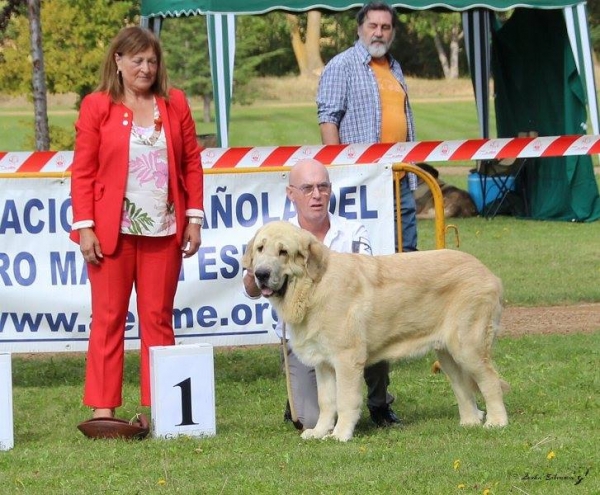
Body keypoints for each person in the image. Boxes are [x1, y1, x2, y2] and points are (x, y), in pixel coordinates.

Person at [69, 26, 204, 421]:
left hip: (164, 231)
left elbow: (191, 162)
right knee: (108, 319)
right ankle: (103, 408)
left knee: (158, 320)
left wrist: (193, 217)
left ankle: (160, 407)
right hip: (110, 232)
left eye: (151, 60)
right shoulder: (97, 105)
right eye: (137, 60)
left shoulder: (175, 102)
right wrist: (86, 226)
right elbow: (83, 171)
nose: (146, 68)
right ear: (118, 62)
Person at [243, 158, 400, 430]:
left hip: (349, 329)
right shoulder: (275, 234)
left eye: (322, 187)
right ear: (291, 194)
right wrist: (261, 272)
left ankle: (379, 404)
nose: (316, 195)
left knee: (372, 329)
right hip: (303, 336)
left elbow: (368, 290)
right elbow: (250, 290)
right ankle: (300, 400)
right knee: (310, 420)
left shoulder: (352, 231)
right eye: (307, 188)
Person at [316, 1, 418, 253]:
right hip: (364, 180)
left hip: (400, 176)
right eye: (372, 25)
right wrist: (338, 171)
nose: (379, 32)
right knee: (368, 252)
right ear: (360, 28)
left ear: (392, 32)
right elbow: (328, 118)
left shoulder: (395, 68)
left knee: (407, 252)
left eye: (385, 27)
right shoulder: (341, 65)